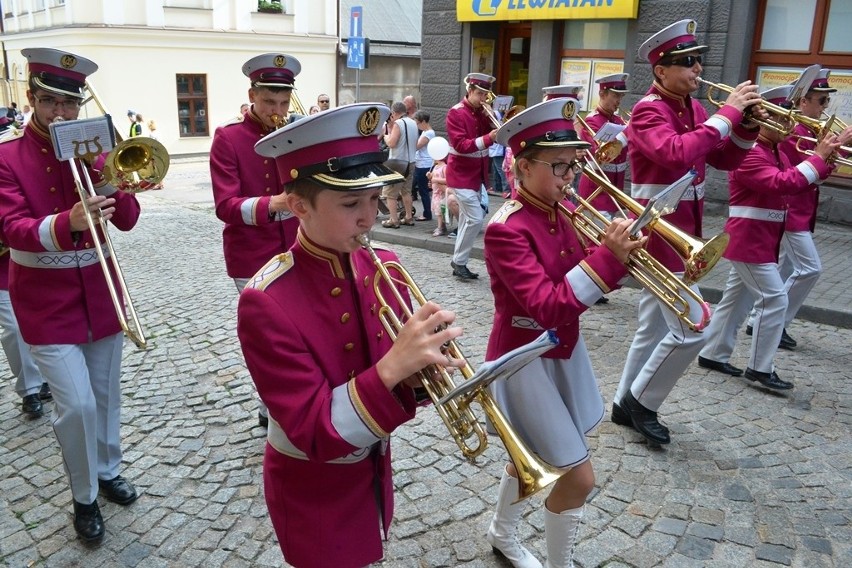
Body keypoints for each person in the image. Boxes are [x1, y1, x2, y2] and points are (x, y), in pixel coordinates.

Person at [241, 102, 464, 568]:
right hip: (311, 488)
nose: (369, 218)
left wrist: (425, 369)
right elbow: (314, 432)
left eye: (373, 198)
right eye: (350, 203)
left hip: (371, 467)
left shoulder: (384, 264)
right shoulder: (266, 300)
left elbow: (399, 385)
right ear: (298, 206)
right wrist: (393, 367)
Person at [483, 98, 645, 568]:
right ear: (523, 165)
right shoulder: (506, 228)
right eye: (557, 166)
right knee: (579, 478)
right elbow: (548, 305)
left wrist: (622, 255)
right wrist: (604, 260)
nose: (568, 176)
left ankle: (502, 533)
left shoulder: (560, 211)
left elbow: (585, 281)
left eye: (571, 165)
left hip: (561, 352)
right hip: (523, 360)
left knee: (526, 458)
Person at [0, 47, 141, 543]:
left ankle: (107, 469)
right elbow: (11, 228)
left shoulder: (96, 151)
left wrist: (114, 181)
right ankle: (83, 497)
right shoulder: (7, 156)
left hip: (101, 293)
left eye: (69, 104)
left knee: (105, 395)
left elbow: (127, 220)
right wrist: (69, 221)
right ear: (33, 99)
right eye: (50, 102)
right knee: (77, 404)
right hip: (45, 301)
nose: (61, 114)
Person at [612, 19, 765, 446]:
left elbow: (722, 159)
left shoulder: (694, 109)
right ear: (660, 70)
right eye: (687, 63)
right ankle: (643, 402)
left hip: (683, 232)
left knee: (652, 328)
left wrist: (746, 128)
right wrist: (727, 115)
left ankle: (625, 402)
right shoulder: (647, 110)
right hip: (656, 235)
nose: (698, 69)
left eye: (698, 61)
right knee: (692, 326)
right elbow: (674, 152)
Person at [697, 85, 846, 392]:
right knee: (775, 299)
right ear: (763, 122)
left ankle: (713, 353)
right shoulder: (751, 154)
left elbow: (799, 185)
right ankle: (760, 368)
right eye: (781, 121)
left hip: (761, 240)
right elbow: (783, 183)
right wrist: (818, 157)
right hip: (749, 240)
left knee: (736, 301)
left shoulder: (773, 151)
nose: (789, 127)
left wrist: (826, 160)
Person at [210, 52, 302, 428]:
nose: (277, 111)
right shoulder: (228, 138)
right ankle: (272, 406)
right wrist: (273, 204)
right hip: (250, 255)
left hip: (297, 247)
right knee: (267, 336)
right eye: (268, 102)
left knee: (298, 330)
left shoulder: (296, 134)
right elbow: (225, 205)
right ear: (252, 94)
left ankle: (281, 405)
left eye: (283, 102)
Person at [446, 72, 498, 280]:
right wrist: (488, 137)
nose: (483, 99)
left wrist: (495, 122)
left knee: (470, 219)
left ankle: (459, 262)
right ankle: (458, 261)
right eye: (479, 94)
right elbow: (461, 145)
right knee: (475, 219)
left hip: (477, 175)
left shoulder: (481, 113)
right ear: (469, 92)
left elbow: (495, 136)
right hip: (460, 174)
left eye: (486, 95)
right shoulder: (456, 113)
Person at [575, 74, 630, 222]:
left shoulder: (619, 120)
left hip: (614, 194)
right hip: (596, 194)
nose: (619, 101)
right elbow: (600, 156)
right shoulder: (591, 121)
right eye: (615, 96)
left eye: (621, 96)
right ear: (602, 94)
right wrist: (627, 133)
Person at [380, 101, 417, 228]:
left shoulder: (398, 123)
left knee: (390, 193)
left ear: (394, 113)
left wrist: (386, 136)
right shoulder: (413, 122)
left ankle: (393, 220)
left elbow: (391, 143)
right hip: (411, 161)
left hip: (398, 162)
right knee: (406, 191)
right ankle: (408, 217)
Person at [427, 141, 458, 236]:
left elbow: (447, 180)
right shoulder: (435, 167)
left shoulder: (444, 167)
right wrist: (430, 178)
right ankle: (441, 226)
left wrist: (434, 179)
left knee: (441, 211)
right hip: (435, 193)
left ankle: (441, 227)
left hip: (442, 193)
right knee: (437, 211)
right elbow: (432, 179)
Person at [413, 110, 435, 221]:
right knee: (422, 190)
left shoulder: (428, 133)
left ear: (423, 122)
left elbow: (417, 146)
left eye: (417, 123)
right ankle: (427, 212)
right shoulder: (426, 132)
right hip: (422, 163)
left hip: (423, 164)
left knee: (423, 191)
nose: (417, 125)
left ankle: (427, 214)